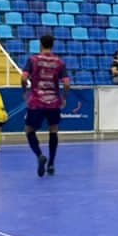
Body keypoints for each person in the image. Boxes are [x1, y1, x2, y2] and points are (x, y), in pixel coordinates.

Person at [23, 33, 71, 178]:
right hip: (53, 102)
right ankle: (51, 164)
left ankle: (39, 155)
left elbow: (23, 77)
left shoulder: (33, 60)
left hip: (37, 101)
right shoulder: (59, 62)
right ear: (52, 45)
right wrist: (63, 98)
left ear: (40, 44)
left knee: (29, 130)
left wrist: (25, 92)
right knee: (53, 131)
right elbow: (67, 83)